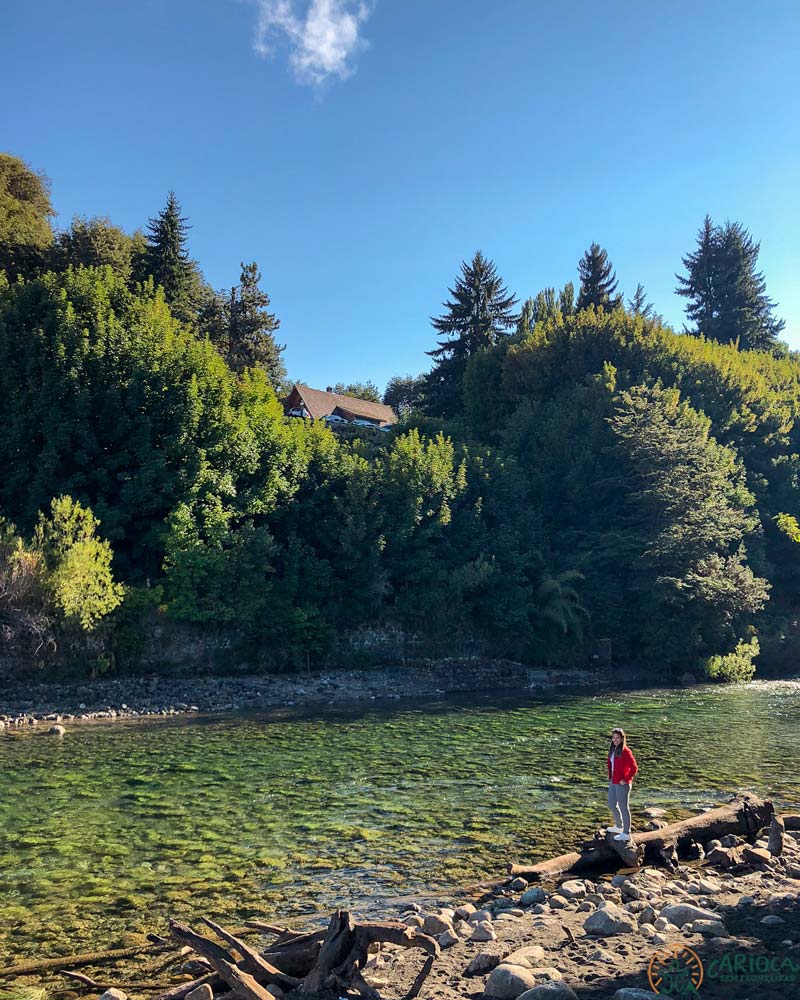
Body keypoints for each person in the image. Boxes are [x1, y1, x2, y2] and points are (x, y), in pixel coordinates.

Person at [607, 726, 638, 841]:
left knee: (623, 807)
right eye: (613, 738)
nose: (615, 740)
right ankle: (619, 826)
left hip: (622, 784)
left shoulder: (626, 751)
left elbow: (634, 768)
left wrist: (626, 779)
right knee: (611, 803)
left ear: (622, 739)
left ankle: (626, 832)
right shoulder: (613, 749)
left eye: (617, 738)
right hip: (613, 781)